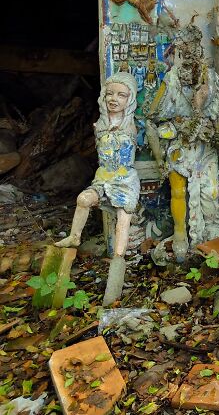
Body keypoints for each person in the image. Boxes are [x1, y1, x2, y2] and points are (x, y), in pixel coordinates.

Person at [55, 72, 140, 305]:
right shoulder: (99, 125)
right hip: (103, 178)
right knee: (83, 200)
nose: (114, 98)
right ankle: (74, 237)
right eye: (110, 93)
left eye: (121, 95)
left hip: (125, 180)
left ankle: (118, 263)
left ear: (130, 99)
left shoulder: (133, 125)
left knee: (123, 221)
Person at [146, 25, 219, 262]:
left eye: (192, 46)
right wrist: (161, 156)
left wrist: (212, 131)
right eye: (183, 48)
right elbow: (153, 116)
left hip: (204, 147)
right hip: (180, 145)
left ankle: (209, 233)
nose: (188, 51)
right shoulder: (171, 79)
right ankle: (180, 232)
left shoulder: (211, 78)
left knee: (210, 193)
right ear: (179, 51)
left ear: (199, 47)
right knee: (178, 191)